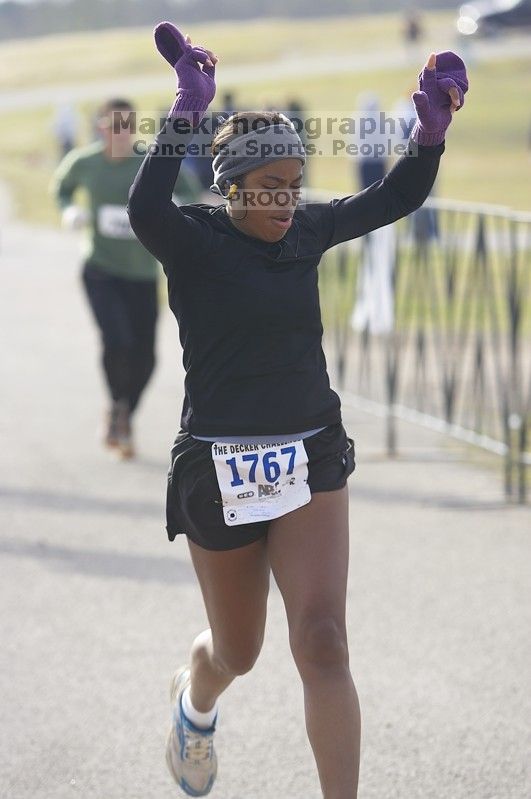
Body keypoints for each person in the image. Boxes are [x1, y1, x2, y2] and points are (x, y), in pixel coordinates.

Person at [128, 23, 468, 798]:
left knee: (321, 641)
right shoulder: (192, 241)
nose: (285, 200)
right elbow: (146, 203)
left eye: (293, 183)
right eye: (269, 188)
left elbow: (398, 194)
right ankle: (195, 701)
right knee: (237, 652)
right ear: (232, 187)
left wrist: (429, 132)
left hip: (309, 451)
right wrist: (185, 107)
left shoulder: (307, 229)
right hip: (216, 465)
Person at [52, 97, 200, 458]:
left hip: (142, 272)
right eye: (113, 125)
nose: (120, 132)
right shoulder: (84, 163)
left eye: (127, 125)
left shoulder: (148, 161)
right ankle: (119, 407)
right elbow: (62, 187)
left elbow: (188, 188)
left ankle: (123, 414)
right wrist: (70, 209)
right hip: (101, 269)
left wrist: (176, 206)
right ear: (99, 127)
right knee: (117, 340)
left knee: (146, 357)